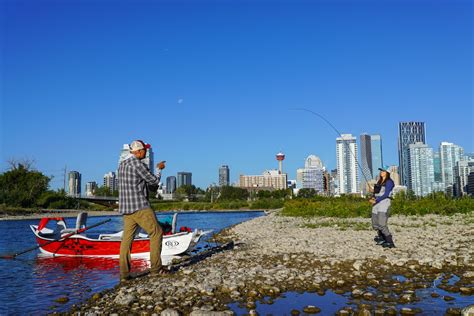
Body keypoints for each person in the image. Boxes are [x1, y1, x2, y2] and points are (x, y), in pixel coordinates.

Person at [118, 139, 167, 281]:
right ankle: (156, 269)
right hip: (139, 206)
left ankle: (124, 274)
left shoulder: (122, 165)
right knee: (156, 232)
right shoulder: (138, 164)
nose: (145, 152)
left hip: (126, 209)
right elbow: (154, 181)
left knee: (126, 241)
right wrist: (159, 169)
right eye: (144, 150)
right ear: (138, 151)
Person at [369, 166, 395, 248]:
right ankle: (381, 238)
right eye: (381, 171)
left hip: (384, 203)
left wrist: (377, 200)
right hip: (376, 204)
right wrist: (372, 195)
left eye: (383, 171)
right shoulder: (379, 182)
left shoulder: (389, 182)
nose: (381, 172)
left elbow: (386, 194)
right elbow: (375, 192)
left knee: (382, 223)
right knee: (375, 223)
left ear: (387, 173)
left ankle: (389, 241)